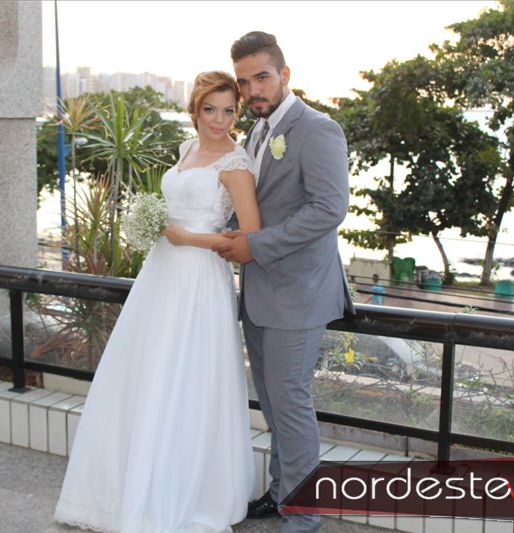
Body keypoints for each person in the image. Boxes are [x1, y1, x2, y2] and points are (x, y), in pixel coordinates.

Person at [55, 71, 259, 533]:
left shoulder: (236, 163)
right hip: (161, 274)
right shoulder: (187, 150)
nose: (219, 120)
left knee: (186, 376)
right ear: (195, 110)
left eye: (229, 111)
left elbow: (250, 237)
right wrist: (152, 225)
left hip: (199, 281)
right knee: (147, 372)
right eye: (211, 109)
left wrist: (189, 238)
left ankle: (182, 492)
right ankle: (131, 485)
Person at [214, 32, 354, 532]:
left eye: (262, 77)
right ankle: (280, 494)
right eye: (244, 81)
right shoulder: (256, 132)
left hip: (299, 294)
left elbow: (328, 209)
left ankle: (303, 514)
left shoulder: (318, 129)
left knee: (291, 405)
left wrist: (255, 246)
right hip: (258, 293)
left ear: (284, 75)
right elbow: (257, 207)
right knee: (274, 405)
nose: (252, 90)